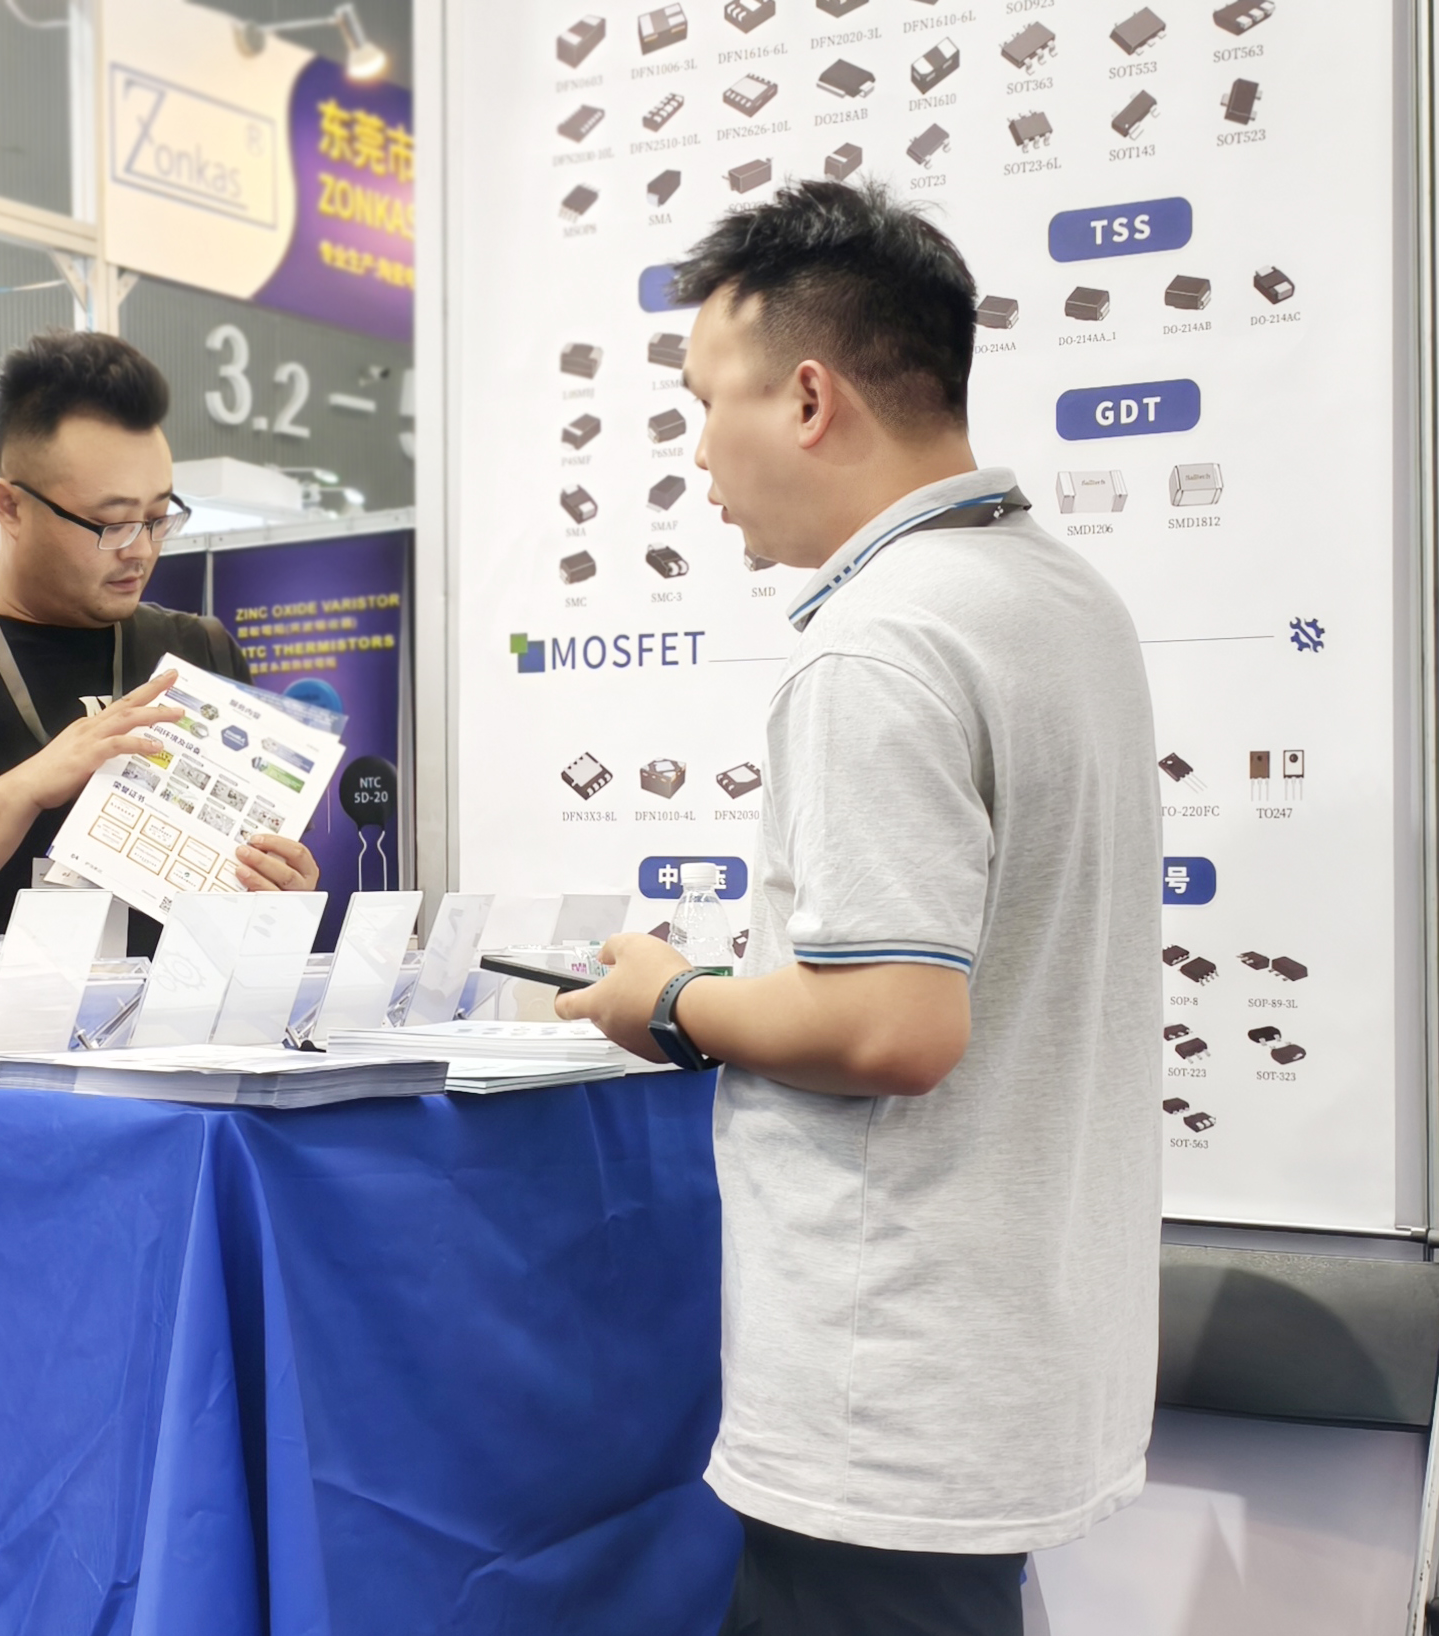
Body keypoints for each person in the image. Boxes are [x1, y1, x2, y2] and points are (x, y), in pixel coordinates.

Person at [554, 180, 1159, 1636]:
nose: (699, 452)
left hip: (886, 1386)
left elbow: (894, 1025)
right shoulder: (1059, 599)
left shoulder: (878, 645)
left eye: (706, 403)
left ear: (810, 398)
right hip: (1009, 1350)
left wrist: (671, 1000)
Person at [0, 330, 319, 960]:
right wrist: (26, 788)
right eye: (111, 523)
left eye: (159, 516)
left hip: (182, 1018)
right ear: (9, 506)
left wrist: (282, 890)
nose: (141, 549)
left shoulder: (199, 654)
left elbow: (252, 904)